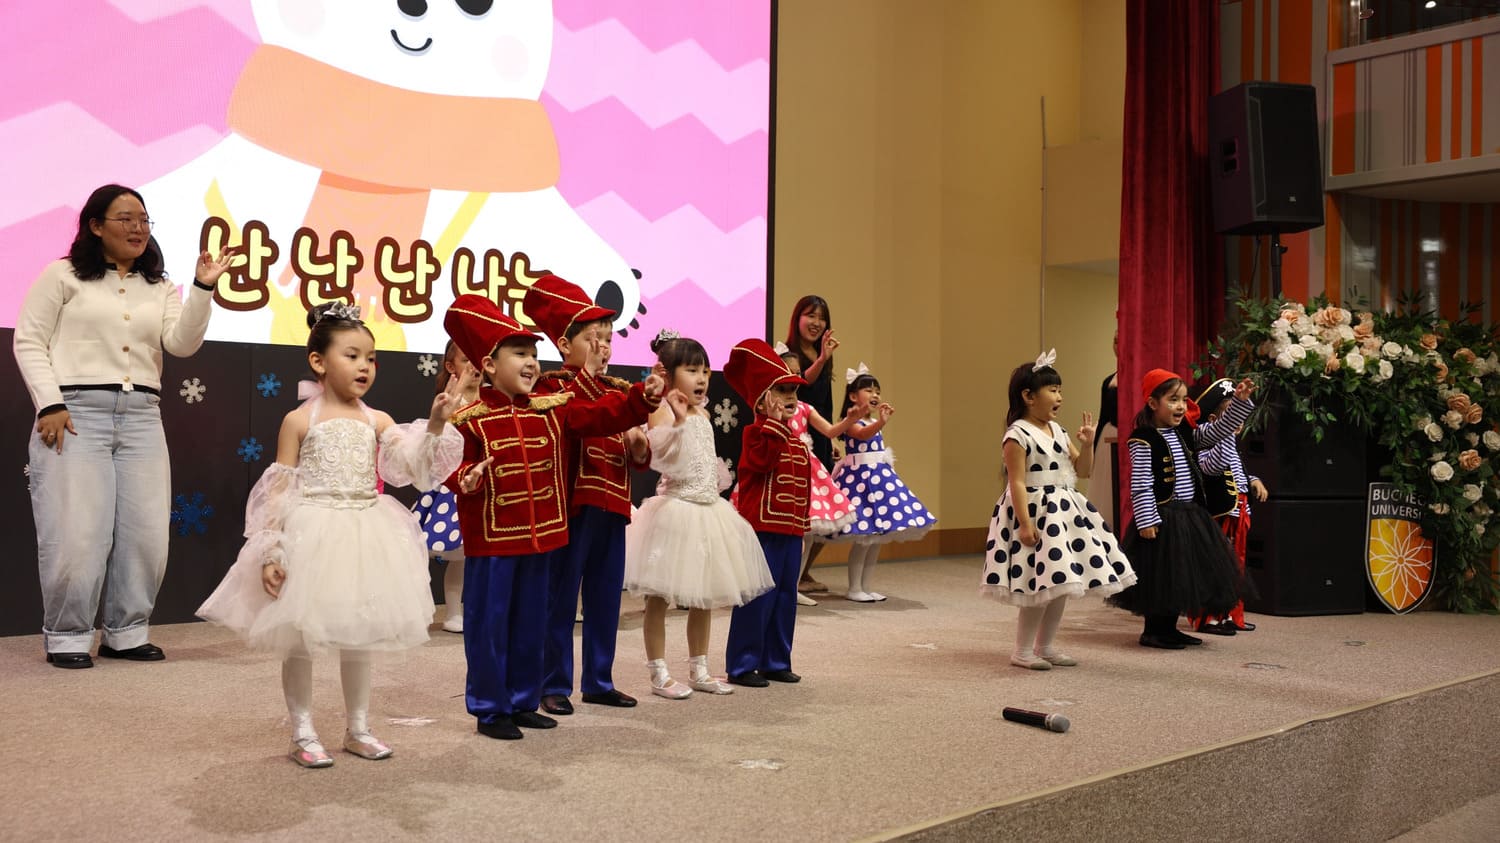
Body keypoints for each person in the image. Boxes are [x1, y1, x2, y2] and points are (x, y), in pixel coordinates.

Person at [197, 302, 465, 767]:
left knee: (359, 634)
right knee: (299, 636)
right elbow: (279, 489)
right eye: (352, 355)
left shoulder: (378, 420)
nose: (364, 367)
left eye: (371, 358)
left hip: (365, 532)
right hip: (313, 533)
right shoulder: (300, 420)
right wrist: (272, 550)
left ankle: (358, 728)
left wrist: (438, 422)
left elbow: (415, 469)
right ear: (319, 362)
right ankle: (302, 732)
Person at [14, 183, 236, 669]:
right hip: (75, 413)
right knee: (76, 533)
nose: (138, 228)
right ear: (95, 226)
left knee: (145, 533)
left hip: (141, 416)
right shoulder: (61, 275)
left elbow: (181, 344)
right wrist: (49, 403)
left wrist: (202, 289)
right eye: (126, 218)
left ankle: (126, 632)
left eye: (144, 219)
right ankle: (68, 636)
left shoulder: (158, 287)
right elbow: (29, 340)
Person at [443, 294, 662, 741]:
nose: (531, 363)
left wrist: (641, 398)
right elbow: (447, 465)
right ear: (489, 365)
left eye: (532, 354)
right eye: (519, 354)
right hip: (493, 542)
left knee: (530, 623)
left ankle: (523, 701)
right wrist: (466, 477)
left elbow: (601, 414)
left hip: (541, 538)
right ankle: (490, 709)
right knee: (489, 626)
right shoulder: (469, 420)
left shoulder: (552, 410)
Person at [524, 275, 652, 714]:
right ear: (564, 345)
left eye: (608, 339)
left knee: (605, 598)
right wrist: (591, 379)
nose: (603, 347)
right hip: (574, 506)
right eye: (591, 339)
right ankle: (552, 683)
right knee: (560, 598)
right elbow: (577, 419)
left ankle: (599, 679)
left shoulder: (619, 390)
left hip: (613, 506)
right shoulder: (551, 387)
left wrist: (639, 447)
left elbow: (635, 451)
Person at [623, 331, 775, 699]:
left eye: (705, 370)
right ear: (668, 374)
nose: (702, 378)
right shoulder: (660, 410)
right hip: (675, 512)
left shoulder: (704, 413)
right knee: (658, 597)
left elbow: (705, 460)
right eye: (692, 370)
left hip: (709, 510)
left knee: (704, 595)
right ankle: (659, 673)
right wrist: (676, 421)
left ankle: (700, 669)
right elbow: (664, 459)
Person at [981, 351, 1136, 669]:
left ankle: (1046, 646)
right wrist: (1025, 524)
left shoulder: (1059, 431)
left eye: (1060, 390)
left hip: (1064, 512)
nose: (1059, 397)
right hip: (1036, 513)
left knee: (1061, 582)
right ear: (1028, 396)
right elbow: (1017, 482)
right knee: (1038, 585)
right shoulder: (1017, 434)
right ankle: (1023, 650)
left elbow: (1083, 470)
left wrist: (1088, 443)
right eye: (1052, 390)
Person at [1107, 369, 1256, 649]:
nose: (1180, 407)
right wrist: (1146, 520)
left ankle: (1170, 629)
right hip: (1162, 517)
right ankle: (1153, 631)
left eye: (1184, 400)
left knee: (1182, 575)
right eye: (1173, 400)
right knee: (1161, 576)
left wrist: (1238, 403)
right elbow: (1140, 483)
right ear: (1153, 403)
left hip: (1189, 515)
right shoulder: (1143, 439)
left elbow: (1218, 430)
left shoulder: (1186, 432)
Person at [723, 338, 815, 687]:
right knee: (757, 595)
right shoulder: (755, 434)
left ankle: (776, 660)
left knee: (785, 597)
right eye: (782, 390)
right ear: (762, 399)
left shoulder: (796, 442)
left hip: (790, 532)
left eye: (793, 390)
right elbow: (761, 462)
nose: (791, 396)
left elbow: (802, 488)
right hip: (763, 531)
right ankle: (742, 664)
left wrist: (802, 527)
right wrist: (774, 425)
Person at [830, 365, 935, 602]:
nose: (875, 394)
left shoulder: (872, 421)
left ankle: (866, 586)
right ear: (853, 396)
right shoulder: (851, 421)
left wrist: (879, 422)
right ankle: (854, 587)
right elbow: (861, 435)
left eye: (877, 391)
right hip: (860, 483)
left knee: (875, 539)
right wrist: (881, 422)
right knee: (863, 539)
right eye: (868, 390)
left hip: (878, 480)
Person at [412, 341, 482, 633]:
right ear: (451, 366)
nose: (475, 366)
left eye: (480, 358)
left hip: (482, 482)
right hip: (450, 484)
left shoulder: (494, 398)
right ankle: (435, 611)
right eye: (467, 359)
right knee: (447, 554)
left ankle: (466, 612)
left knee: (471, 558)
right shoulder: (449, 399)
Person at [1190, 378, 1268, 635]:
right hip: (1220, 512)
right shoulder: (1207, 441)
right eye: (1230, 415)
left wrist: (1253, 479)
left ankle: (1232, 614)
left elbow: (1237, 470)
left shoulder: (1231, 444)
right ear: (1215, 420)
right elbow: (1212, 467)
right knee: (1215, 565)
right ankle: (1208, 617)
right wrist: (1223, 435)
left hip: (1238, 511)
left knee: (1236, 565)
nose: (1238, 422)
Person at [784, 296, 839, 592]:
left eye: (822, 317)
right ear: (798, 319)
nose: (816, 323)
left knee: (826, 508)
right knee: (804, 509)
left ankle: (804, 573)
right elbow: (799, 387)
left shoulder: (823, 353)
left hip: (820, 434)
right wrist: (821, 360)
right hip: (797, 435)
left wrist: (833, 437)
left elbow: (824, 403)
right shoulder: (788, 354)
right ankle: (793, 575)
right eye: (810, 315)